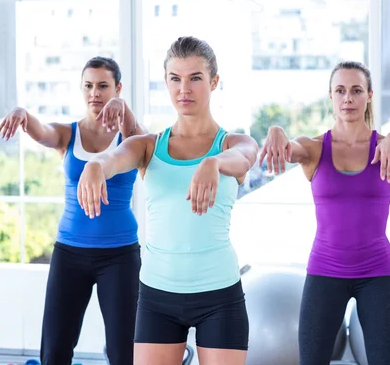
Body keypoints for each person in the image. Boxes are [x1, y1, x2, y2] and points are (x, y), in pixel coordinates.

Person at [77, 37, 258, 365]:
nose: (183, 89)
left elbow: (244, 158)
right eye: (175, 78)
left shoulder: (234, 142)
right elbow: (114, 157)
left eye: (195, 78)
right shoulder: (149, 146)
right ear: (166, 82)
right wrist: (94, 165)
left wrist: (212, 162)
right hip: (157, 296)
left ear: (214, 82)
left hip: (219, 295)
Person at [258, 60, 390, 365]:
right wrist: (277, 130)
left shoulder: (386, 146)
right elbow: (291, 149)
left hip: (379, 274)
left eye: (356, 90)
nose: (348, 98)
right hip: (325, 272)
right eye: (340, 90)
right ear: (330, 96)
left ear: (368, 95)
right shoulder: (315, 148)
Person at [0, 57, 147, 365]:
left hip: (119, 255)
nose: (95, 93)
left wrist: (124, 109)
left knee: (124, 353)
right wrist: (24, 115)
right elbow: (42, 132)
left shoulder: (133, 136)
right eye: (89, 86)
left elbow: (134, 130)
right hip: (69, 253)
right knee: (54, 350)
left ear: (118, 89)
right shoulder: (69, 134)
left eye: (103, 86)